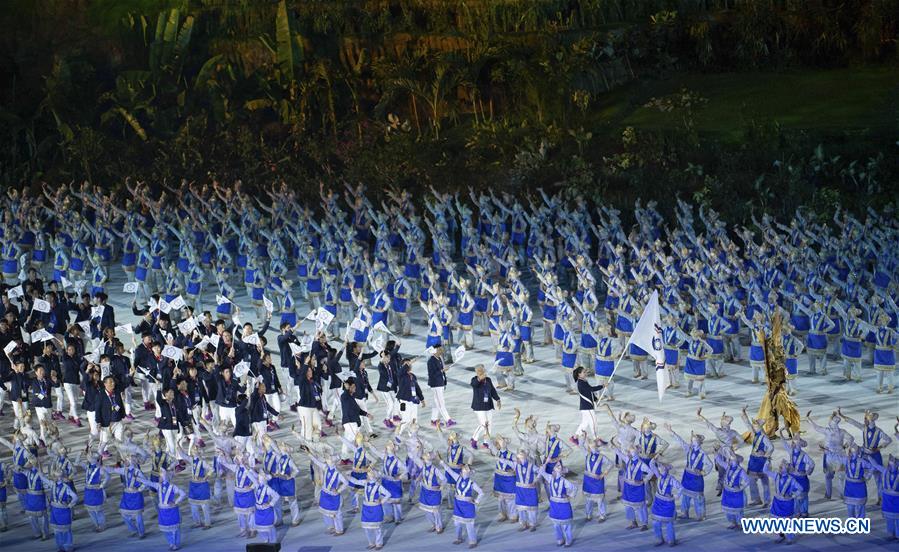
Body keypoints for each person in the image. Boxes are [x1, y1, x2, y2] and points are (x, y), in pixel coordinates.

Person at [665, 424, 712, 520]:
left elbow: (710, 465)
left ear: (699, 442)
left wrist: (703, 472)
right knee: (685, 496)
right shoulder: (689, 449)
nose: (693, 443)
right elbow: (681, 442)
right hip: (687, 477)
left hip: (696, 479)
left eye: (695, 441)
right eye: (693, 441)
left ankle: (700, 515)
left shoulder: (702, 454)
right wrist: (671, 432)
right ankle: (684, 513)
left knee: (698, 498)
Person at [138, 468, 187, 551]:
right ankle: (171, 543)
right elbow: (148, 483)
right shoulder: (158, 485)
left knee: (174, 529)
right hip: (163, 511)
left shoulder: (172, 487)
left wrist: (175, 502)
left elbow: (183, 494)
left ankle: (176, 544)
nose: (158, 478)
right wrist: (139, 479)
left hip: (171, 510)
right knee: (165, 529)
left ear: (164, 477)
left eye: (160, 477)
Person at [762, 459, 803, 544]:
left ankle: (790, 538)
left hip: (787, 503)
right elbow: (765, 470)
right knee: (776, 520)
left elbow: (800, 489)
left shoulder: (791, 479)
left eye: (782, 467)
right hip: (777, 502)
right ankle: (781, 535)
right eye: (780, 466)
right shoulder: (776, 475)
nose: (780, 468)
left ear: (786, 469)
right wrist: (767, 461)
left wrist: (792, 495)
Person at [539, 462, 578, 547]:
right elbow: (541, 471)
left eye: (560, 466)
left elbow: (574, 488)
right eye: (557, 466)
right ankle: (560, 539)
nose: (559, 467)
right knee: (556, 525)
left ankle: (568, 540)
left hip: (563, 505)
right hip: (554, 505)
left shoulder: (564, 481)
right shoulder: (550, 478)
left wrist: (570, 495)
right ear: (553, 469)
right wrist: (545, 463)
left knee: (566, 525)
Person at [646, 458, 681, 546]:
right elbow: (651, 464)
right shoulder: (659, 476)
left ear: (665, 469)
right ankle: (659, 539)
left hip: (667, 503)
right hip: (658, 502)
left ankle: (671, 540)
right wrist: (656, 458)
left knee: (669, 523)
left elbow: (681, 488)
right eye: (660, 467)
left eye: (661, 467)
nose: (659, 469)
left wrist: (676, 496)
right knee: (656, 522)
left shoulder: (671, 479)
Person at [742, 407, 772, 506]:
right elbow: (748, 425)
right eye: (754, 426)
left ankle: (767, 500)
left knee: (764, 481)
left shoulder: (763, 437)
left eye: (755, 426)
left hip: (761, 461)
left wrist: (764, 454)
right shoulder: (755, 434)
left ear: (759, 427)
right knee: (751, 480)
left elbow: (771, 447)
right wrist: (744, 413)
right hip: (753, 461)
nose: (753, 427)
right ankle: (756, 499)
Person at [469, 364, 501, 449]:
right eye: (479, 371)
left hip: (488, 406)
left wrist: (497, 400)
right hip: (479, 407)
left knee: (489, 424)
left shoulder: (488, 380)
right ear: (476, 372)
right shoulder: (474, 380)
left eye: (482, 370)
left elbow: (493, 390)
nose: (481, 372)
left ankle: (486, 441)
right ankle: (474, 439)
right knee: (483, 424)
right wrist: (480, 378)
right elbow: (474, 384)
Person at [718, 449, 750, 529]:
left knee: (737, 510)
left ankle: (741, 523)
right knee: (728, 509)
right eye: (730, 460)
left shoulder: (741, 471)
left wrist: (740, 488)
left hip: (736, 493)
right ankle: (733, 523)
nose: (730, 461)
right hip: (727, 492)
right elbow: (720, 461)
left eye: (732, 460)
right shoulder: (728, 467)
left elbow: (747, 481)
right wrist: (716, 453)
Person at [571, 366, 603, 443]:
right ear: (579, 374)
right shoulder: (581, 383)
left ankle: (575, 437)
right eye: (584, 372)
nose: (585, 373)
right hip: (587, 407)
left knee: (584, 423)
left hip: (585, 407)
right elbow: (591, 389)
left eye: (585, 372)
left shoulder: (584, 381)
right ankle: (596, 439)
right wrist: (602, 386)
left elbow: (589, 392)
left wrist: (595, 399)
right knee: (593, 422)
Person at [428, 345, 455, 428]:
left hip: (440, 383)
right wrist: (442, 370)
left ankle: (433, 420)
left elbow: (441, 372)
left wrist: (444, 381)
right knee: (440, 404)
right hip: (436, 385)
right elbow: (432, 374)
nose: (441, 351)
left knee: (436, 404)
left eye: (441, 349)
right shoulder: (431, 361)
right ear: (435, 350)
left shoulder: (439, 358)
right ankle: (448, 420)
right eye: (439, 349)